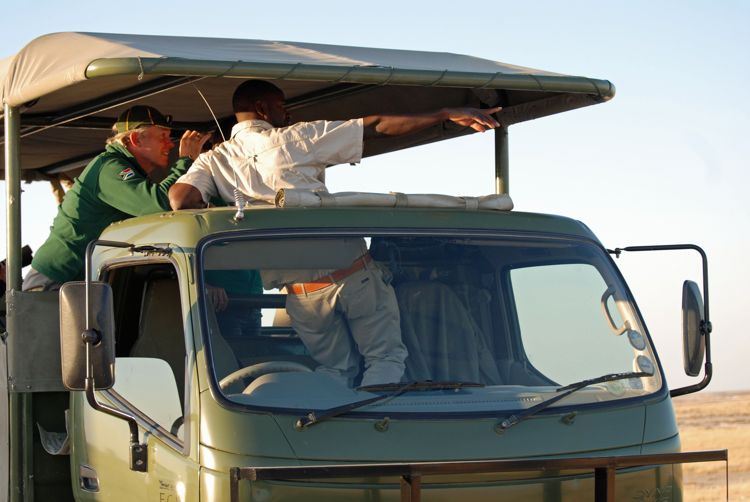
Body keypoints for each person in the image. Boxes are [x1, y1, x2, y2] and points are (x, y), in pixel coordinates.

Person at [168, 80, 502, 387]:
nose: (287, 113)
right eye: (282, 105)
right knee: (385, 360)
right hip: (353, 278)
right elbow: (375, 126)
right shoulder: (296, 137)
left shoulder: (213, 159)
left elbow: (180, 199)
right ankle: (376, 429)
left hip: (303, 295)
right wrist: (444, 113)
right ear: (263, 108)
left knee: (335, 371)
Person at [23, 105, 210, 291]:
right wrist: (186, 160)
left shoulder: (127, 172)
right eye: (163, 137)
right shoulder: (109, 168)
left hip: (81, 282)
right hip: (55, 282)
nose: (170, 144)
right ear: (136, 139)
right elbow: (161, 204)